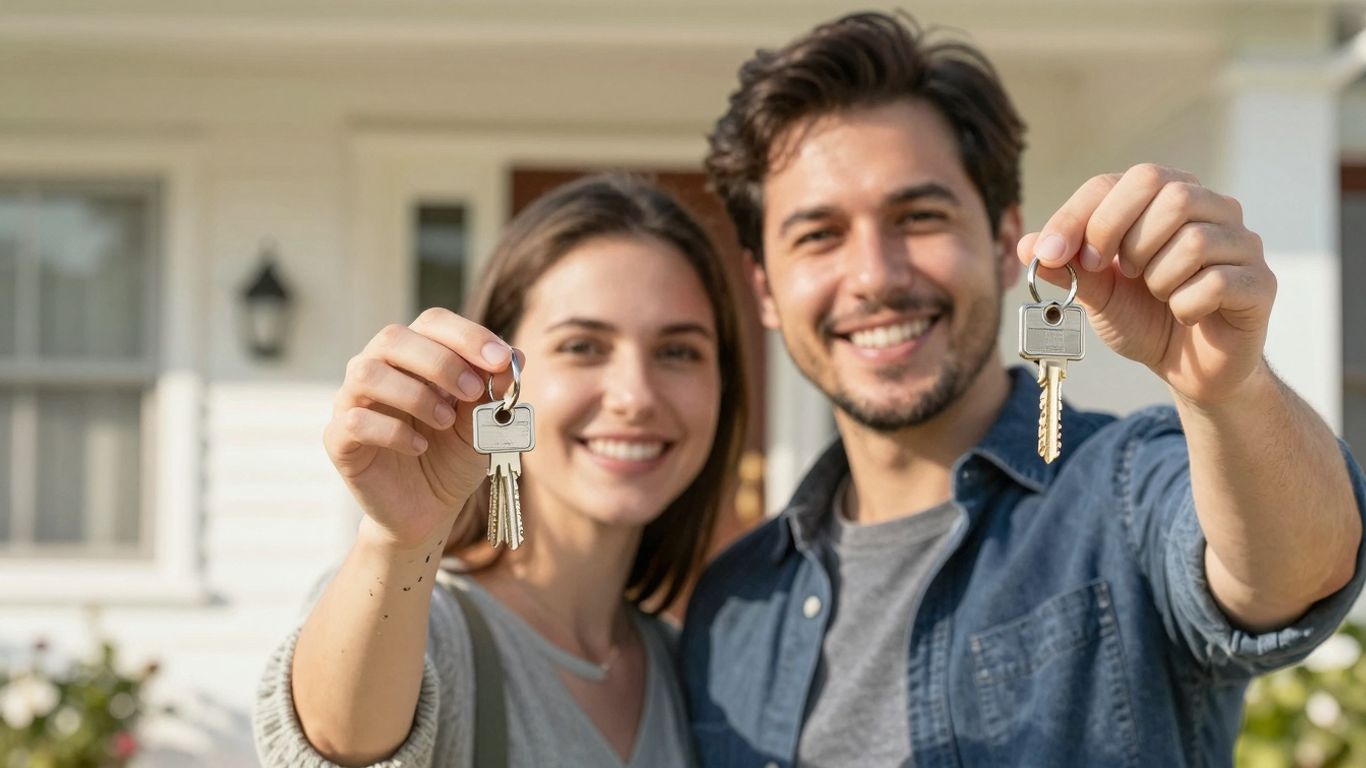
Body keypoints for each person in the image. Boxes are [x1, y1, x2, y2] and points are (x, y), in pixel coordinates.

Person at [681, 11, 1366, 767]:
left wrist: (1228, 391)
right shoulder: (731, 607)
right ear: (766, 289)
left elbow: (1295, 573)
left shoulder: (1126, 486)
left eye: (919, 216)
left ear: (1008, 242)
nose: (875, 275)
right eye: (819, 235)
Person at [253, 174, 747, 767]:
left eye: (678, 351)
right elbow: (335, 747)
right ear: (498, 378)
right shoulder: (427, 619)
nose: (635, 396)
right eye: (583, 346)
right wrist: (400, 543)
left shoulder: (683, 667)